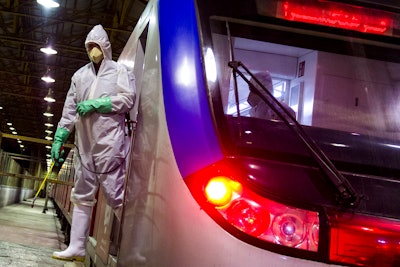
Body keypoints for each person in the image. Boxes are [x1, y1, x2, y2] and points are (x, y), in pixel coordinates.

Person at [50, 24, 135, 262]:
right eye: (90, 46)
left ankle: (134, 248)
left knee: (116, 194)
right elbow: (68, 110)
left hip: (109, 142)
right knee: (82, 193)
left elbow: (128, 99)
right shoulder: (79, 75)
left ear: (105, 47)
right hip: (84, 144)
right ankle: (76, 247)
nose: (93, 50)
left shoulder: (119, 71)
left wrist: (98, 104)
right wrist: (59, 139)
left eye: (97, 46)